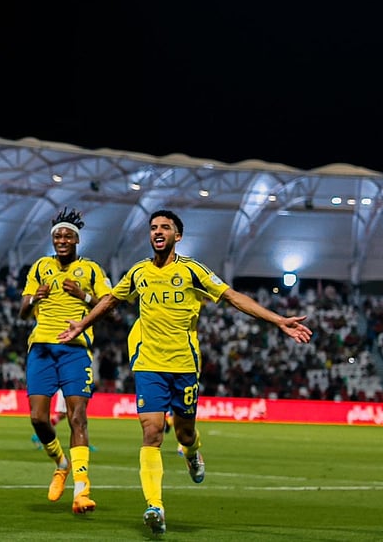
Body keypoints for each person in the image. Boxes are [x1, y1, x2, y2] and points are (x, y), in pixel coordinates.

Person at [58, 209, 313, 534]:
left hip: (184, 365)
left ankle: (192, 452)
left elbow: (233, 297)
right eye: (153, 227)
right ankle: (155, 507)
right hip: (149, 364)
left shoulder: (192, 271)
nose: (158, 231)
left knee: (184, 433)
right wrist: (82, 322)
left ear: (177, 236)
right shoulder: (138, 272)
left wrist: (278, 320)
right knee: (152, 433)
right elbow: (111, 300)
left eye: (165, 227)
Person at [19, 207, 112, 514]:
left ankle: (82, 491)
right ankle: (61, 463)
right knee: (38, 419)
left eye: (67, 236)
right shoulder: (40, 268)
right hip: (41, 349)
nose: (61, 239)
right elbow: (22, 311)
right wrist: (35, 298)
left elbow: (109, 306)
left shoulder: (92, 271)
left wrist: (84, 297)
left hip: (76, 349)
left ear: (76, 241)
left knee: (77, 417)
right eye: (57, 235)